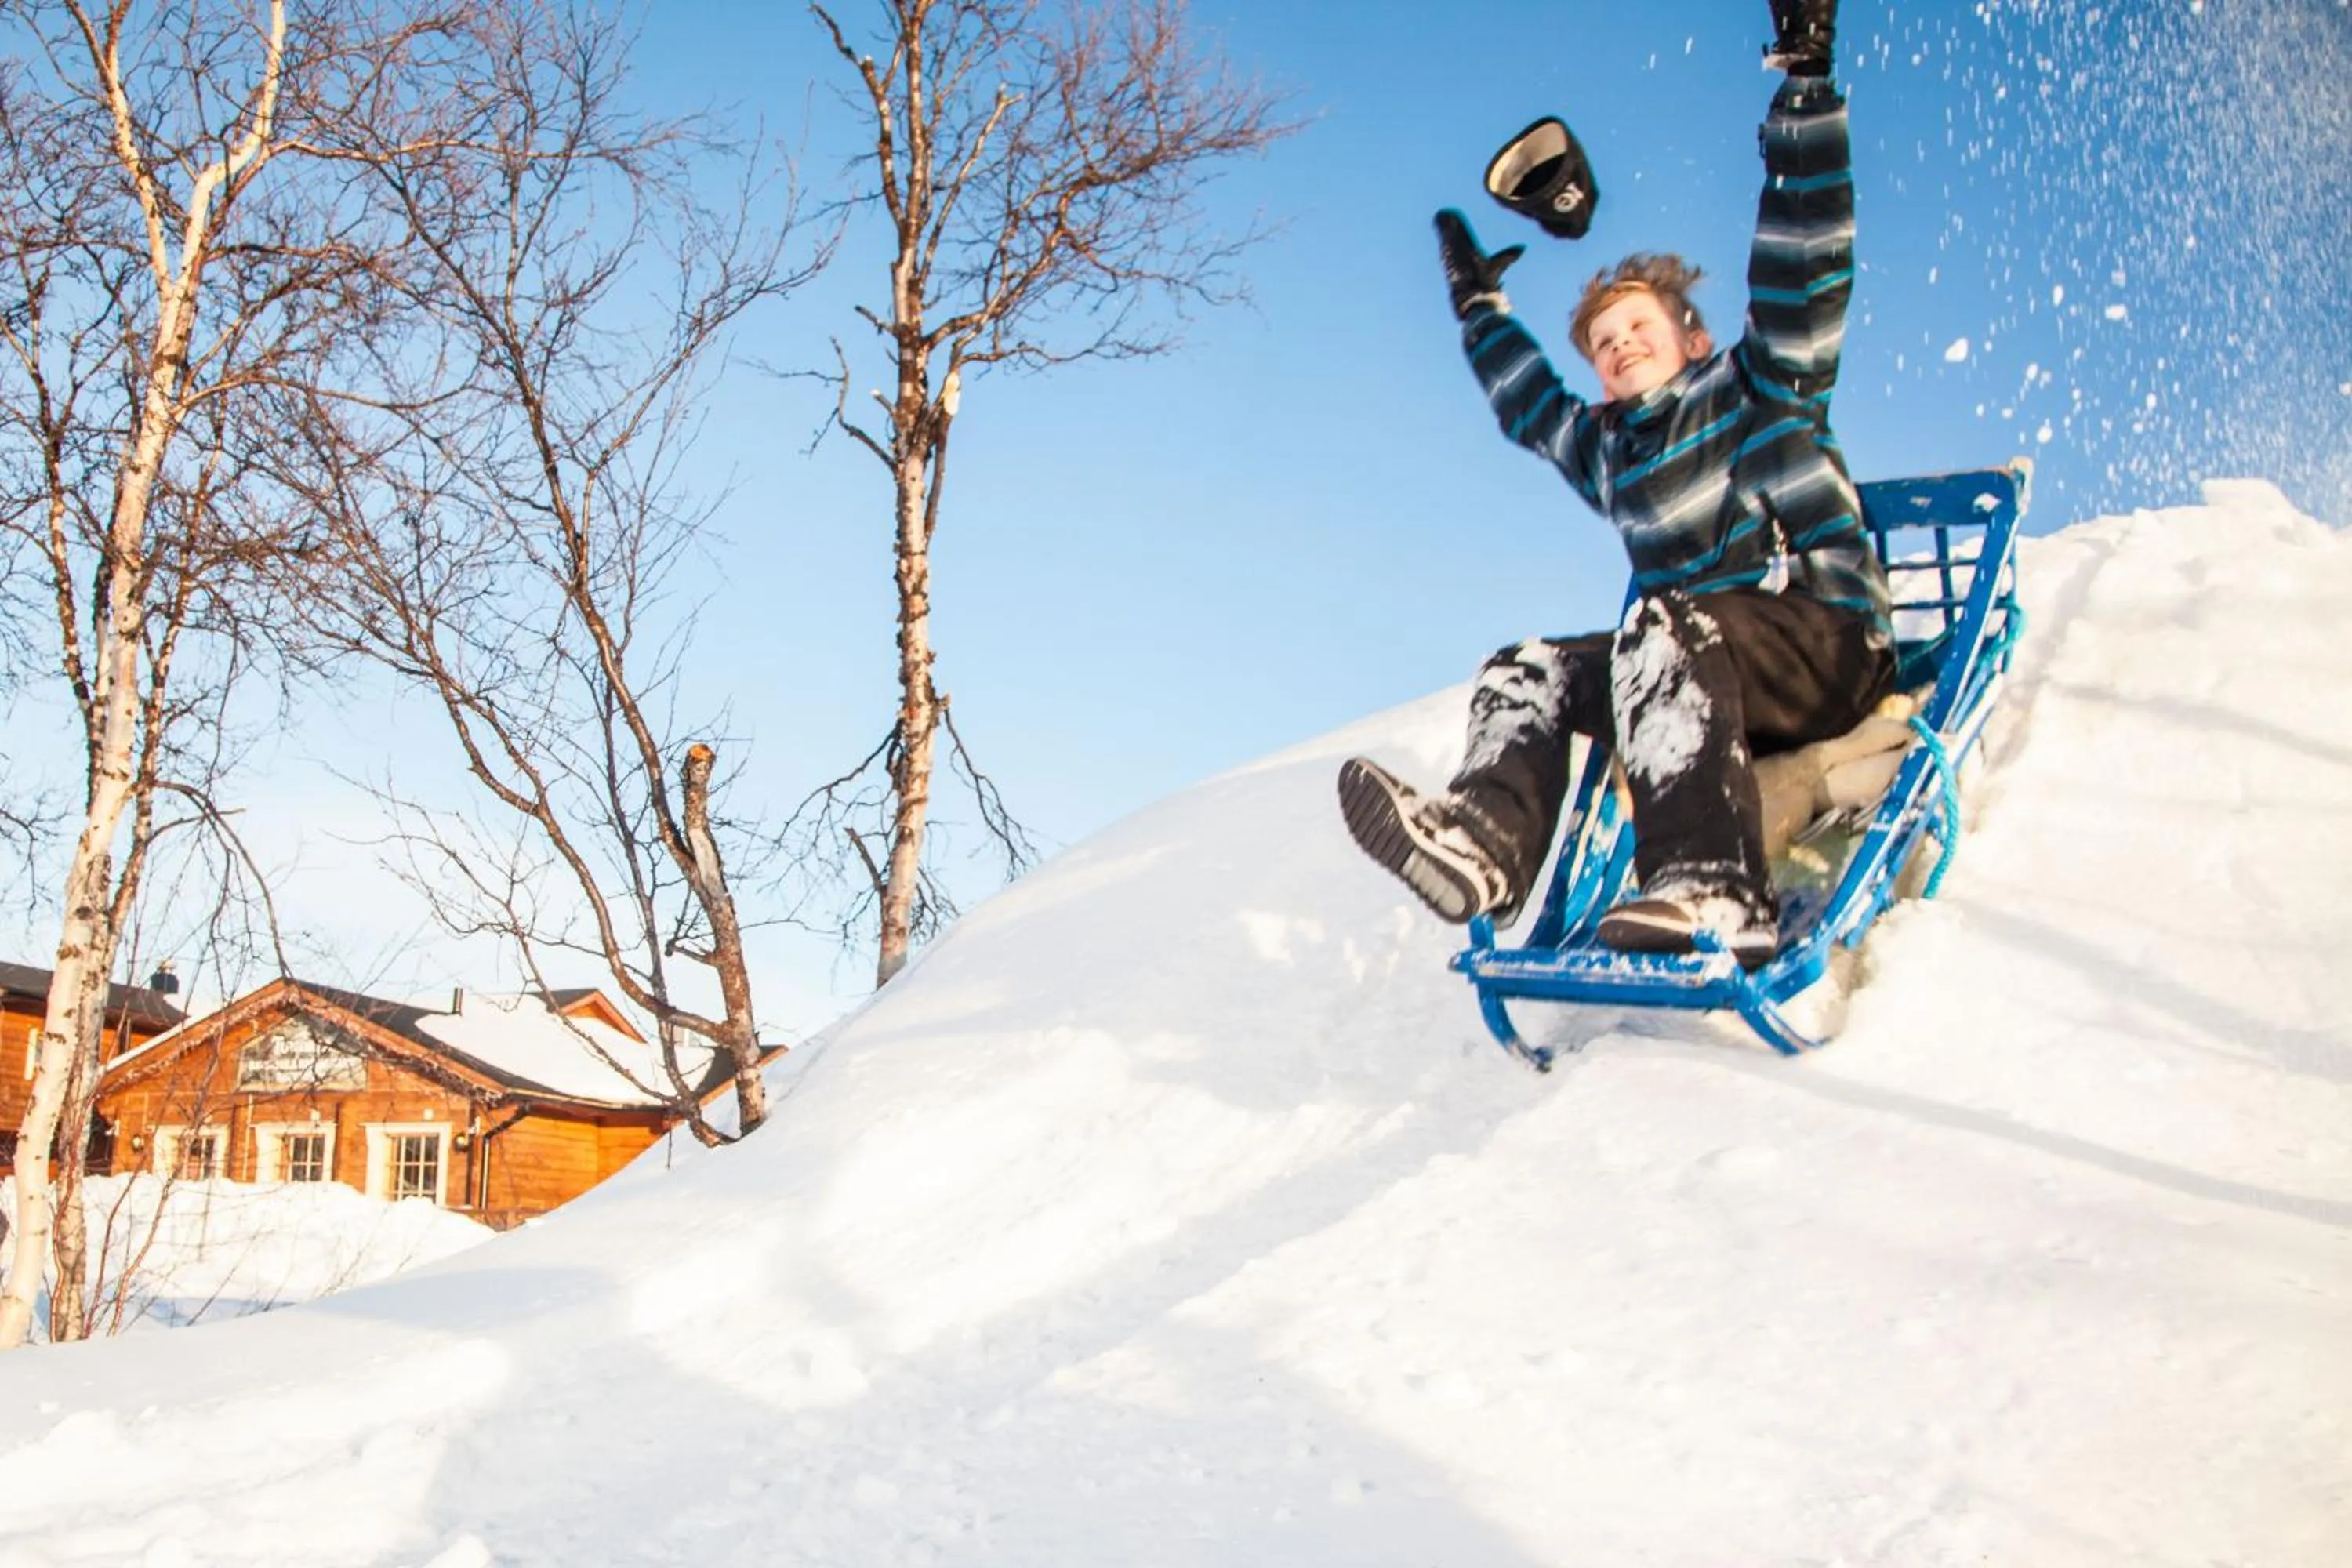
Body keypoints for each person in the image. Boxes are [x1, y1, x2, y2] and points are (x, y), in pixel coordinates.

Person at [1337, 0, 1890, 970]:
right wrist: (1479, 307)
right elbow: (1530, 408)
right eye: (1600, 341)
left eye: (1637, 325)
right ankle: (1486, 844)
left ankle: (1716, 890)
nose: (1617, 343)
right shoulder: (1612, 451)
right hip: (1689, 666)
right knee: (1531, 667)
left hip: (1826, 646)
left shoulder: (1766, 386)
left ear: (1693, 337)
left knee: (1667, 621)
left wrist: (1804, 83)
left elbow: (1802, 261)